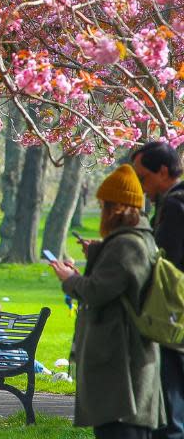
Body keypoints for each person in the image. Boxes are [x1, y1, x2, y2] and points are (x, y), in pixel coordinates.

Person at [50, 163, 163, 439]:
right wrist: (97, 255)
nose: (101, 212)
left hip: (122, 367)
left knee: (119, 430)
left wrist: (69, 278)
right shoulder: (134, 241)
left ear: (117, 209)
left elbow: (97, 291)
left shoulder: (127, 244)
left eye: (103, 206)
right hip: (123, 362)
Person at [132, 141, 184, 439]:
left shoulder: (174, 206)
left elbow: (164, 261)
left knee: (170, 407)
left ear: (163, 171)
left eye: (144, 177)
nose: (142, 186)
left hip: (172, 316)